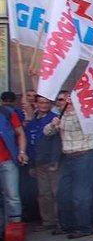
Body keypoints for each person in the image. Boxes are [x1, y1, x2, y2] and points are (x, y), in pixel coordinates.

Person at [44, 91, 93, 239]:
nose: (59, 102)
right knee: (63, 193)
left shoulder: (82, 114)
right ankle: (67, 225)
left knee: (80, 194)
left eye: (62, 100)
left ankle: (84, 227)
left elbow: (82, 124)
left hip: (84, 155)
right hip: (68, 157)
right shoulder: (60, 116)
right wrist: (53, 125)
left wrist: (72, 108)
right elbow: (47, 132)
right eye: (58, 100)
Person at [24, 95, 61, 231]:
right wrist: (32, 165)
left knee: (56, 192)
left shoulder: (54, 119)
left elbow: (57, 142)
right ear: (35, 104)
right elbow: (29, 144)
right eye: (41, 103)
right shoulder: (32, 123)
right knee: (43, 193)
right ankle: (48, 221)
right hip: (38, 162)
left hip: (52, 162)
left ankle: (60, 221)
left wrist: (55, 160)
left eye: (47, 103)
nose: (44, 105)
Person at [0, 94, 28, 241]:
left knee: (12, 197)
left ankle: (14, 233)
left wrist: (22, 152)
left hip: (7, 161)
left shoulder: (7, 113)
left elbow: (20, 133)